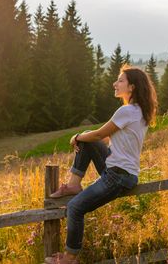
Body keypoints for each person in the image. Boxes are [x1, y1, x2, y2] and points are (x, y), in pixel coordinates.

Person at [45, 65, 157, 264]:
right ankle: (73, 184)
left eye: (120, 81)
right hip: (123, 172)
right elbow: (104, 139)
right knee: (88, 141)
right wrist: (83, 138)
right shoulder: (139, 111)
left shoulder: (127, 111)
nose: (115, 84)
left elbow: (99, 134)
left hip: (118, 176)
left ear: (131, 87)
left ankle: (70, 258)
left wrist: (76, 136)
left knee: (75, 208)